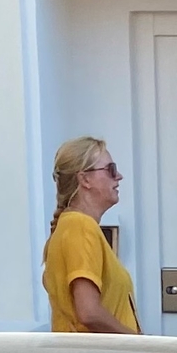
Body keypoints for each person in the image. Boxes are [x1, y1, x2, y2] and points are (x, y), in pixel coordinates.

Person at [42, 136, 140, 335]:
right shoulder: (80, 226)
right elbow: (89, 312)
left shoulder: (72, 226)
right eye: (111, 169)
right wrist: (139, 341)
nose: (119, 176)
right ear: (85, 179)